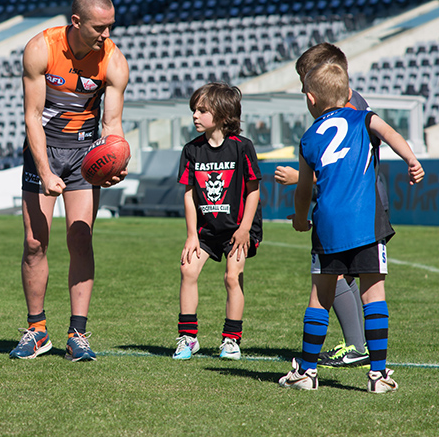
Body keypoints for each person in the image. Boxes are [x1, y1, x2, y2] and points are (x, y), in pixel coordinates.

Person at [278, 62, 424, 393]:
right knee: (374, 294)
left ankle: (307, 373)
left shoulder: (309, 137)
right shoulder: (364, 117)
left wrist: (301, 219)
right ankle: (378, 375)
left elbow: (303, 190)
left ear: (311, 99)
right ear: (347, 94)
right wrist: (411, 160)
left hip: (328, 224)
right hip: (366, 222)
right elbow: (391, 134)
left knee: (320, 296)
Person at [11, 0, 129, 361]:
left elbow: (112, 124)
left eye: (111, 26)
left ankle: (77, 333)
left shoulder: (114, 61)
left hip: (84, 154)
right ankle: (37, 330)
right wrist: (44, 170)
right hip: (43, 148)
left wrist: (118, 161)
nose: (107, 35)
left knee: (81, 239)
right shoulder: (40, 49)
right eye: (100, 27)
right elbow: (32, 116)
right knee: (34, 242)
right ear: (76, 22)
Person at [275, 42, 386, 368]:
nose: (302, 88)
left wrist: (300, 178)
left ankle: (355, 347)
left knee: (336, 278)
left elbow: (345, 167)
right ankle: (360, 348)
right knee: (349, 278)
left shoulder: (351, 110)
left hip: (357, 206)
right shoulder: (350, 108)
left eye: (305, 79)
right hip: (353, 204)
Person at [173, 83, 262, 361]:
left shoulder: (242, 147)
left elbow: (253, 190)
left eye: (202, 110)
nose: (195, 116)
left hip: (238, 229)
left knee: (232, 277)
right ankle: (188, 338)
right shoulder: (191, 150)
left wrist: (245, 228)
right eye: (194, 110)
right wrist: (191, 235)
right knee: (187, 270)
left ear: (223, 115)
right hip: (205, 230)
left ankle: (231, 340)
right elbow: (188, 194)